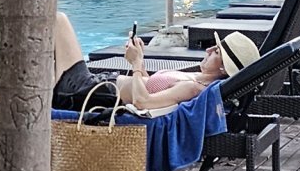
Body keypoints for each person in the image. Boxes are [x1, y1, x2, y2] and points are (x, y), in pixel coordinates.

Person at [109, 29, 255, 114]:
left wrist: (136, 63)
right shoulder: (197, 77)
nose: (208, 50)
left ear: (223, 68)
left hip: (108, 94)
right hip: (109, 84)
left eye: (216, 52)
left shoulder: (193, 88)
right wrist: (139, 60)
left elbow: (142, 102)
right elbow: (150, 87)